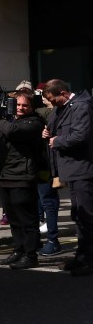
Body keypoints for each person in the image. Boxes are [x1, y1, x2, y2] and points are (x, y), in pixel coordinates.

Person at [42, 79, 93, 277]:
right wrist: (48, 132)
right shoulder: (62, 107)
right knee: (78, 215)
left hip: (83, 169)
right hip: (71, 169)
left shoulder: (81, 107)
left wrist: (58, 140)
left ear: (63, 93)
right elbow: (54, 125)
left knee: (86, 216)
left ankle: (89, 259)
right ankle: (82, 257)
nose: (51, 104)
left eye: (53, 100)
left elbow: (81, 135)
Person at [0, 89, 45, 269]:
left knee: (27, 220)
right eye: (18, 105)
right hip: (5, 175)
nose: (21, 108)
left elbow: (12, 132)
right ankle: (19, 250)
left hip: (23, 176)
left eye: (25, 105)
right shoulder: (9, 121)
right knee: (14, 219)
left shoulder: (35, 122)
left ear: (32, 107)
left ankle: (31, 255)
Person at [34, 82, 62, 256]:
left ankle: (53, 239)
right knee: (44, 200)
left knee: (48, 200)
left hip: (48, 165)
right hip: (39, 165)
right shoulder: (50, 113)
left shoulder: (50, 112)